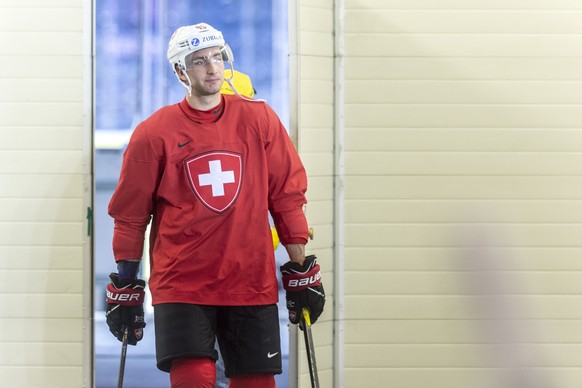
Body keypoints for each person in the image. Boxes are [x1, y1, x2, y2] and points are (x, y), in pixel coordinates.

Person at [104, 22, 325, 388]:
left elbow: (285, 196)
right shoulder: (153, 133)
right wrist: (127, 283)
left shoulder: (260, 119)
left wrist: (299, 266)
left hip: (250, 280)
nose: (212, 67)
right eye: (199, 61)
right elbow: (130, 216)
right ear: (180, 71)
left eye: (217, 57)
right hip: (182, 282)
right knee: (196, 380)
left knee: (255, 382)